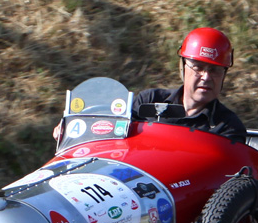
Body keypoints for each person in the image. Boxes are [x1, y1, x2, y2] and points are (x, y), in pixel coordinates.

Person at [53, 27, 247, 142]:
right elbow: (110, 128)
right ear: (183, 67)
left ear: (224, 75)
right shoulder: (150, 101)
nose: (206, 77)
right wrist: (75, 128)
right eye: (198, 67)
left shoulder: (227, 127)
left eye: (215, 70)